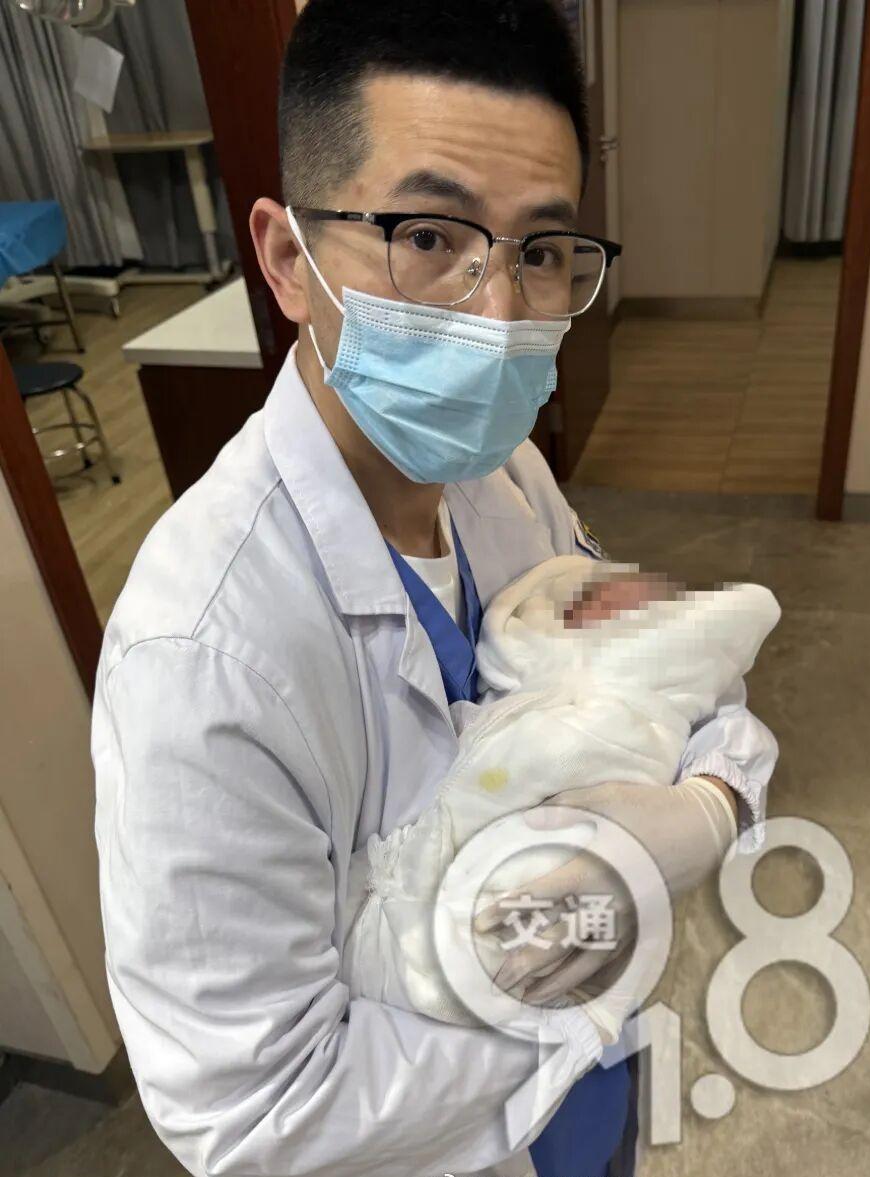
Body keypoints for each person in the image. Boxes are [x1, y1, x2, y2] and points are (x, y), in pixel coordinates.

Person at [91, 3, 780, 1176]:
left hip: (592, 1113)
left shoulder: (501, 473)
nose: (498, 314)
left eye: (541, 252)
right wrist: (590, 965)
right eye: (427, 235)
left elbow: (669, 672)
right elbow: (255, 1111)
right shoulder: (202, 657)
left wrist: (716, 799)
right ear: (288, 260)